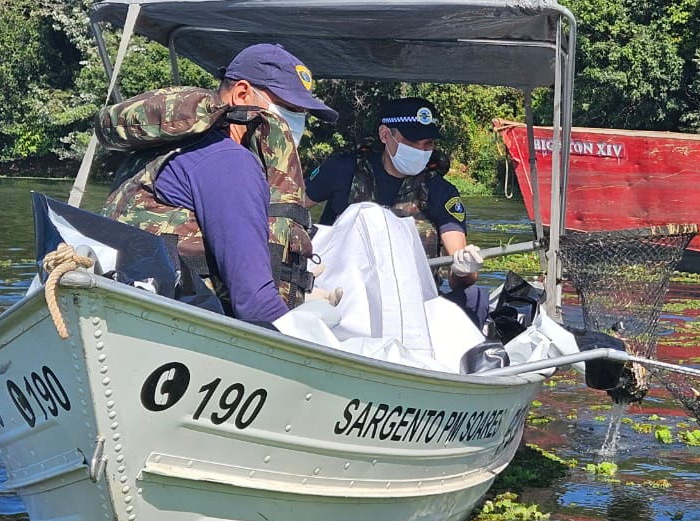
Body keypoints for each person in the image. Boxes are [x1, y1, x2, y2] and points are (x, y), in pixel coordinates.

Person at [101, 44, 338, 326]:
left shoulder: (163, 149)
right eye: (289, 108)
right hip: (181, 326)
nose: (295, 123)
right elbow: (256, 306)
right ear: (241, 94)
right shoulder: (230, 161)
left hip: (124, 309)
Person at [305, 97, 489, 327]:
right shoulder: (344, 169)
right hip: (341, 297)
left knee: (475, 298)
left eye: (428, 144)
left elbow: (459, 272)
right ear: (385, 135)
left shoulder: (440, 191)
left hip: (413, 305)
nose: (421, 151)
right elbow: (290, 208)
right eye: (412, 142)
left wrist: (465, 268)